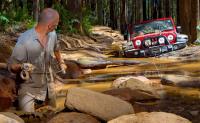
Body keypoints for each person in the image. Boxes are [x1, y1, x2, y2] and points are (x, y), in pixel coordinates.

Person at [8, 8, 67, 112]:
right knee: (27, 118)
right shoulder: (25, 40)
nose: (56, 27)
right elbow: (11, 66)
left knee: (53, 116)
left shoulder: (52, 35)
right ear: (50, 25)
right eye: (56, 24)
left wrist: (61, 62)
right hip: (29, 89)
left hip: (49, 87)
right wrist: (22, 66)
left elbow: (56, 49)